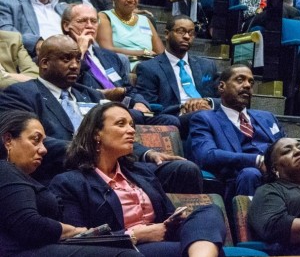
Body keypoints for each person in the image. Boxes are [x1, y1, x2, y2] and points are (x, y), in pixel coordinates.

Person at [0, 36, 200, 190]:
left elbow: (115, 132)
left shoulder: (90, 95)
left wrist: (148, 153)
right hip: (67, 170)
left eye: (78, 59)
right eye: (66, 59)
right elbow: (26, 141)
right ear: (44, 63)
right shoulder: (20, 94)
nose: (74, 65)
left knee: (183, 170)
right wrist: (89, 150)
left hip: (112, 165)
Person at [50, 102, 226, 256]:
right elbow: (78, 241)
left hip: (162, 239)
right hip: (126, 249)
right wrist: (138, 234)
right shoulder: (69, 183)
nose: (132, 130)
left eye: (132, 124)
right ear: (97, 134)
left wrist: (175, 220)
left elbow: (168, 215)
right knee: (208, 248)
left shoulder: (141, 173)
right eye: (121, 124)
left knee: (209, 212)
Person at [188, 64, 300, 199]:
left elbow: (288, 149)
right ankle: (251, 237)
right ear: (221, 87)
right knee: (250, 173)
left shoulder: (267, 117)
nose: (247, 85)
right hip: (249, 178)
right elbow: (207, 155)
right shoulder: (205, 118)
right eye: (240, 80)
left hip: (286, 177)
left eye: (251, 82)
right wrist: (257, 160)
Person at [0, 109, 142, 257]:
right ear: (8, 140)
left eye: (43, 142)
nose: (43, 149)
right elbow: (29, 224)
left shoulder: (16, 175)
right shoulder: (4, 170)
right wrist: (75, 231)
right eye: (36, 140)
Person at [61, 3, 178, 129]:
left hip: (125, 107)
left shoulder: (109, 56)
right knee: (131, 116)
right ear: (66, 26)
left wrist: (139, 102)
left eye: (94, 21)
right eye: (82, 21)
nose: (89, 25)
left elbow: (129, 88)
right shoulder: (60, 54)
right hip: (94, 109)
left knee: (171, 120)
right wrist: (79, 51)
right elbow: (68, 83)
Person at [134, 16, 217, 132]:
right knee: (204, 116)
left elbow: (221, 97)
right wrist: (185, 107)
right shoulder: (149, 68)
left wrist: (207, 101)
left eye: (191, 33)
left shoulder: (207, 65)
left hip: (207, 112)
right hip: (177, 117)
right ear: (167, 34)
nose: (187, 36)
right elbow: (150, 106)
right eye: (181, 31)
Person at [96, 0, 163, 65]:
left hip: (150, 66)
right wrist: (143, 53)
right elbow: (107, 49)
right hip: (121, 65)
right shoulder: (104, 17)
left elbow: (160, 53)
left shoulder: (145, 20)